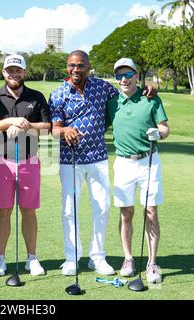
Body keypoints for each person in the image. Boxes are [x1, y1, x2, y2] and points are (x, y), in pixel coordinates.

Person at [48, 50, 156, 277]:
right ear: (67, 67)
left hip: (97, 158)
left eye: (80, 65)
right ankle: (72, 257)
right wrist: (64, 130)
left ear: (88, 67)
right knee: (70, 210)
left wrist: (148, 88)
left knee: (102, 207)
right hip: (71, 159)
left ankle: (97, 256)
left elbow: (128, 93)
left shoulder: (103, 88)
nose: (75, 69)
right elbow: (54, 129)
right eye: (71, 65)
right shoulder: (58, 94)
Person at [0, 54, 51, 277]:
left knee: (28, 211)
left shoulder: (36, 96)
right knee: (3, 211)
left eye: (18, 70)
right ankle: (0, 259)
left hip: (29, 161)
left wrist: (26, 125)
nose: (14, 74)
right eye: (10, 70)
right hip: (2, 161)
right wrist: (9, 122)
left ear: (24, 72)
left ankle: (32, 258)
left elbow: (47, 127)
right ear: (4, 73)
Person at [107, 58, 169, 283]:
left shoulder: (150, 97)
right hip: (123, 163)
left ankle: (152, 262)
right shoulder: (112, 102)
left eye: (128, 74)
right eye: (119, 75)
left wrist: (159, 134)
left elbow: (164, 127)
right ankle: (128, 258)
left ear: (136, 76)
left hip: (148, 161)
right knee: (126, 213)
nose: (123, 79)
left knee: (150, 211)